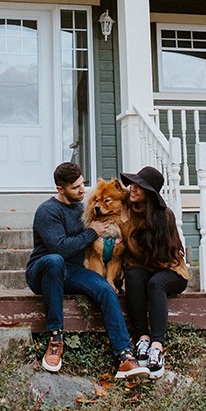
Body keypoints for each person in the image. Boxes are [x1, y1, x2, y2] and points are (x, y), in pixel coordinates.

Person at [25, 161, 150, 379]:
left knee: (105, 289)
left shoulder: (87, 206)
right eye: (75, 187)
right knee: (54, 260)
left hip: (73, 271)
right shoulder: (48, 211)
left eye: (82, 184)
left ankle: (124, 355)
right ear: (60, 189)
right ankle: (55, 339)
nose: (82, 190)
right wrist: (91, 232)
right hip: (43, 270)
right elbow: (60, 248)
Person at [120, 165, 189, 377]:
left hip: (169, 269)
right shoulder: (130, 208)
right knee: (132, 276)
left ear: (149, 193)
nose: (132, 189)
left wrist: (125, 226)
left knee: (155, 283)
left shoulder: (163, 216)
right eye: (133, 184)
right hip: (145, 268)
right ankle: (143, 338)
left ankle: (157, 347)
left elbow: (150, 255)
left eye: (139, 186)